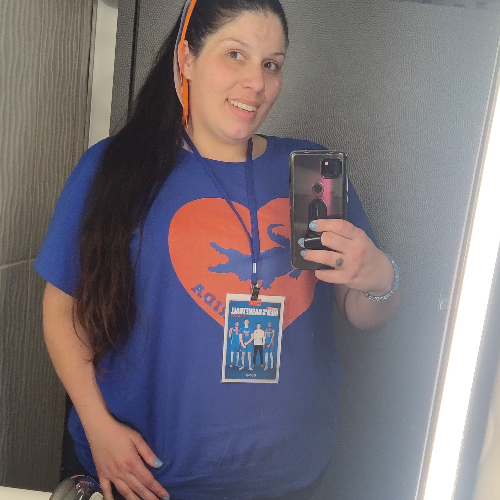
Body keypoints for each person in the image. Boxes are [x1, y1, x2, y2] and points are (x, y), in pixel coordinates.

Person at [35, 1, 399, 499]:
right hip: (147, 479)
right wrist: (98, 428)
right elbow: (62, 309)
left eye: (271, 64)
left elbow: (361, 312)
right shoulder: (113, 169)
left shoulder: (310, 174)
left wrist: (380, 279)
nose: (256, 83)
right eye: (235, 55)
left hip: (289, 479)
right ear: (187, 59)